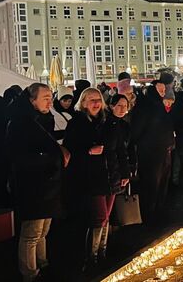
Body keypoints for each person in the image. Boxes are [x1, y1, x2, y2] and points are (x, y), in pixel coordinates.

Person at [7, 83, 68, 282]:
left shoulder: (43, 119)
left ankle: (43, 263)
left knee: (43, 230)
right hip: (33, 186)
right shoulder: (20, 123)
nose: (50, 100)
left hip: (49, 184)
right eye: (45, 97)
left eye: (51, 96)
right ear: (32, 100)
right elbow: (21, 157)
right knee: (31, 232)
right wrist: (53, 157)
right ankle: (30, 273)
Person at [63, 87, 129, 270]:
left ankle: (102, 252)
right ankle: (90, 257)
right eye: (91, 100)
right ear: (83, 103)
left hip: (111, 176)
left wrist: (125, 173)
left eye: (98, 99)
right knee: (99, 217)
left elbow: (119, 150)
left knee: (106, 217)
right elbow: (69, 151)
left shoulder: (109, 122)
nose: (95, 103)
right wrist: (87, 152)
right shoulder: (77, 124)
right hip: (91, 178)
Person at [130, 79, 175, 223]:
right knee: (152, 183)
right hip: (150, 151)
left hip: (164, 149)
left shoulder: (160, 106)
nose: (162, 93)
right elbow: (137, 130)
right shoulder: (145, 107)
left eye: (163, 90)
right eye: (159, 90)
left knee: (162, 181)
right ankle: (150, 213)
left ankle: (159, 210)